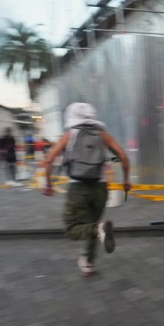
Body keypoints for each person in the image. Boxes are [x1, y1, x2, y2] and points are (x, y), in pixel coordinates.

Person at [41, 102, 131, 277]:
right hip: (100, 187)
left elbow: (49, 159)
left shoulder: (70, 134)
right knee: (94, 223)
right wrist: (126, 179)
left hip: (77, 187)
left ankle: (97, 233)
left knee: (73, 228)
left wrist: (48, 184)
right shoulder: (103, 135)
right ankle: (88, 262)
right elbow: (123, 156)